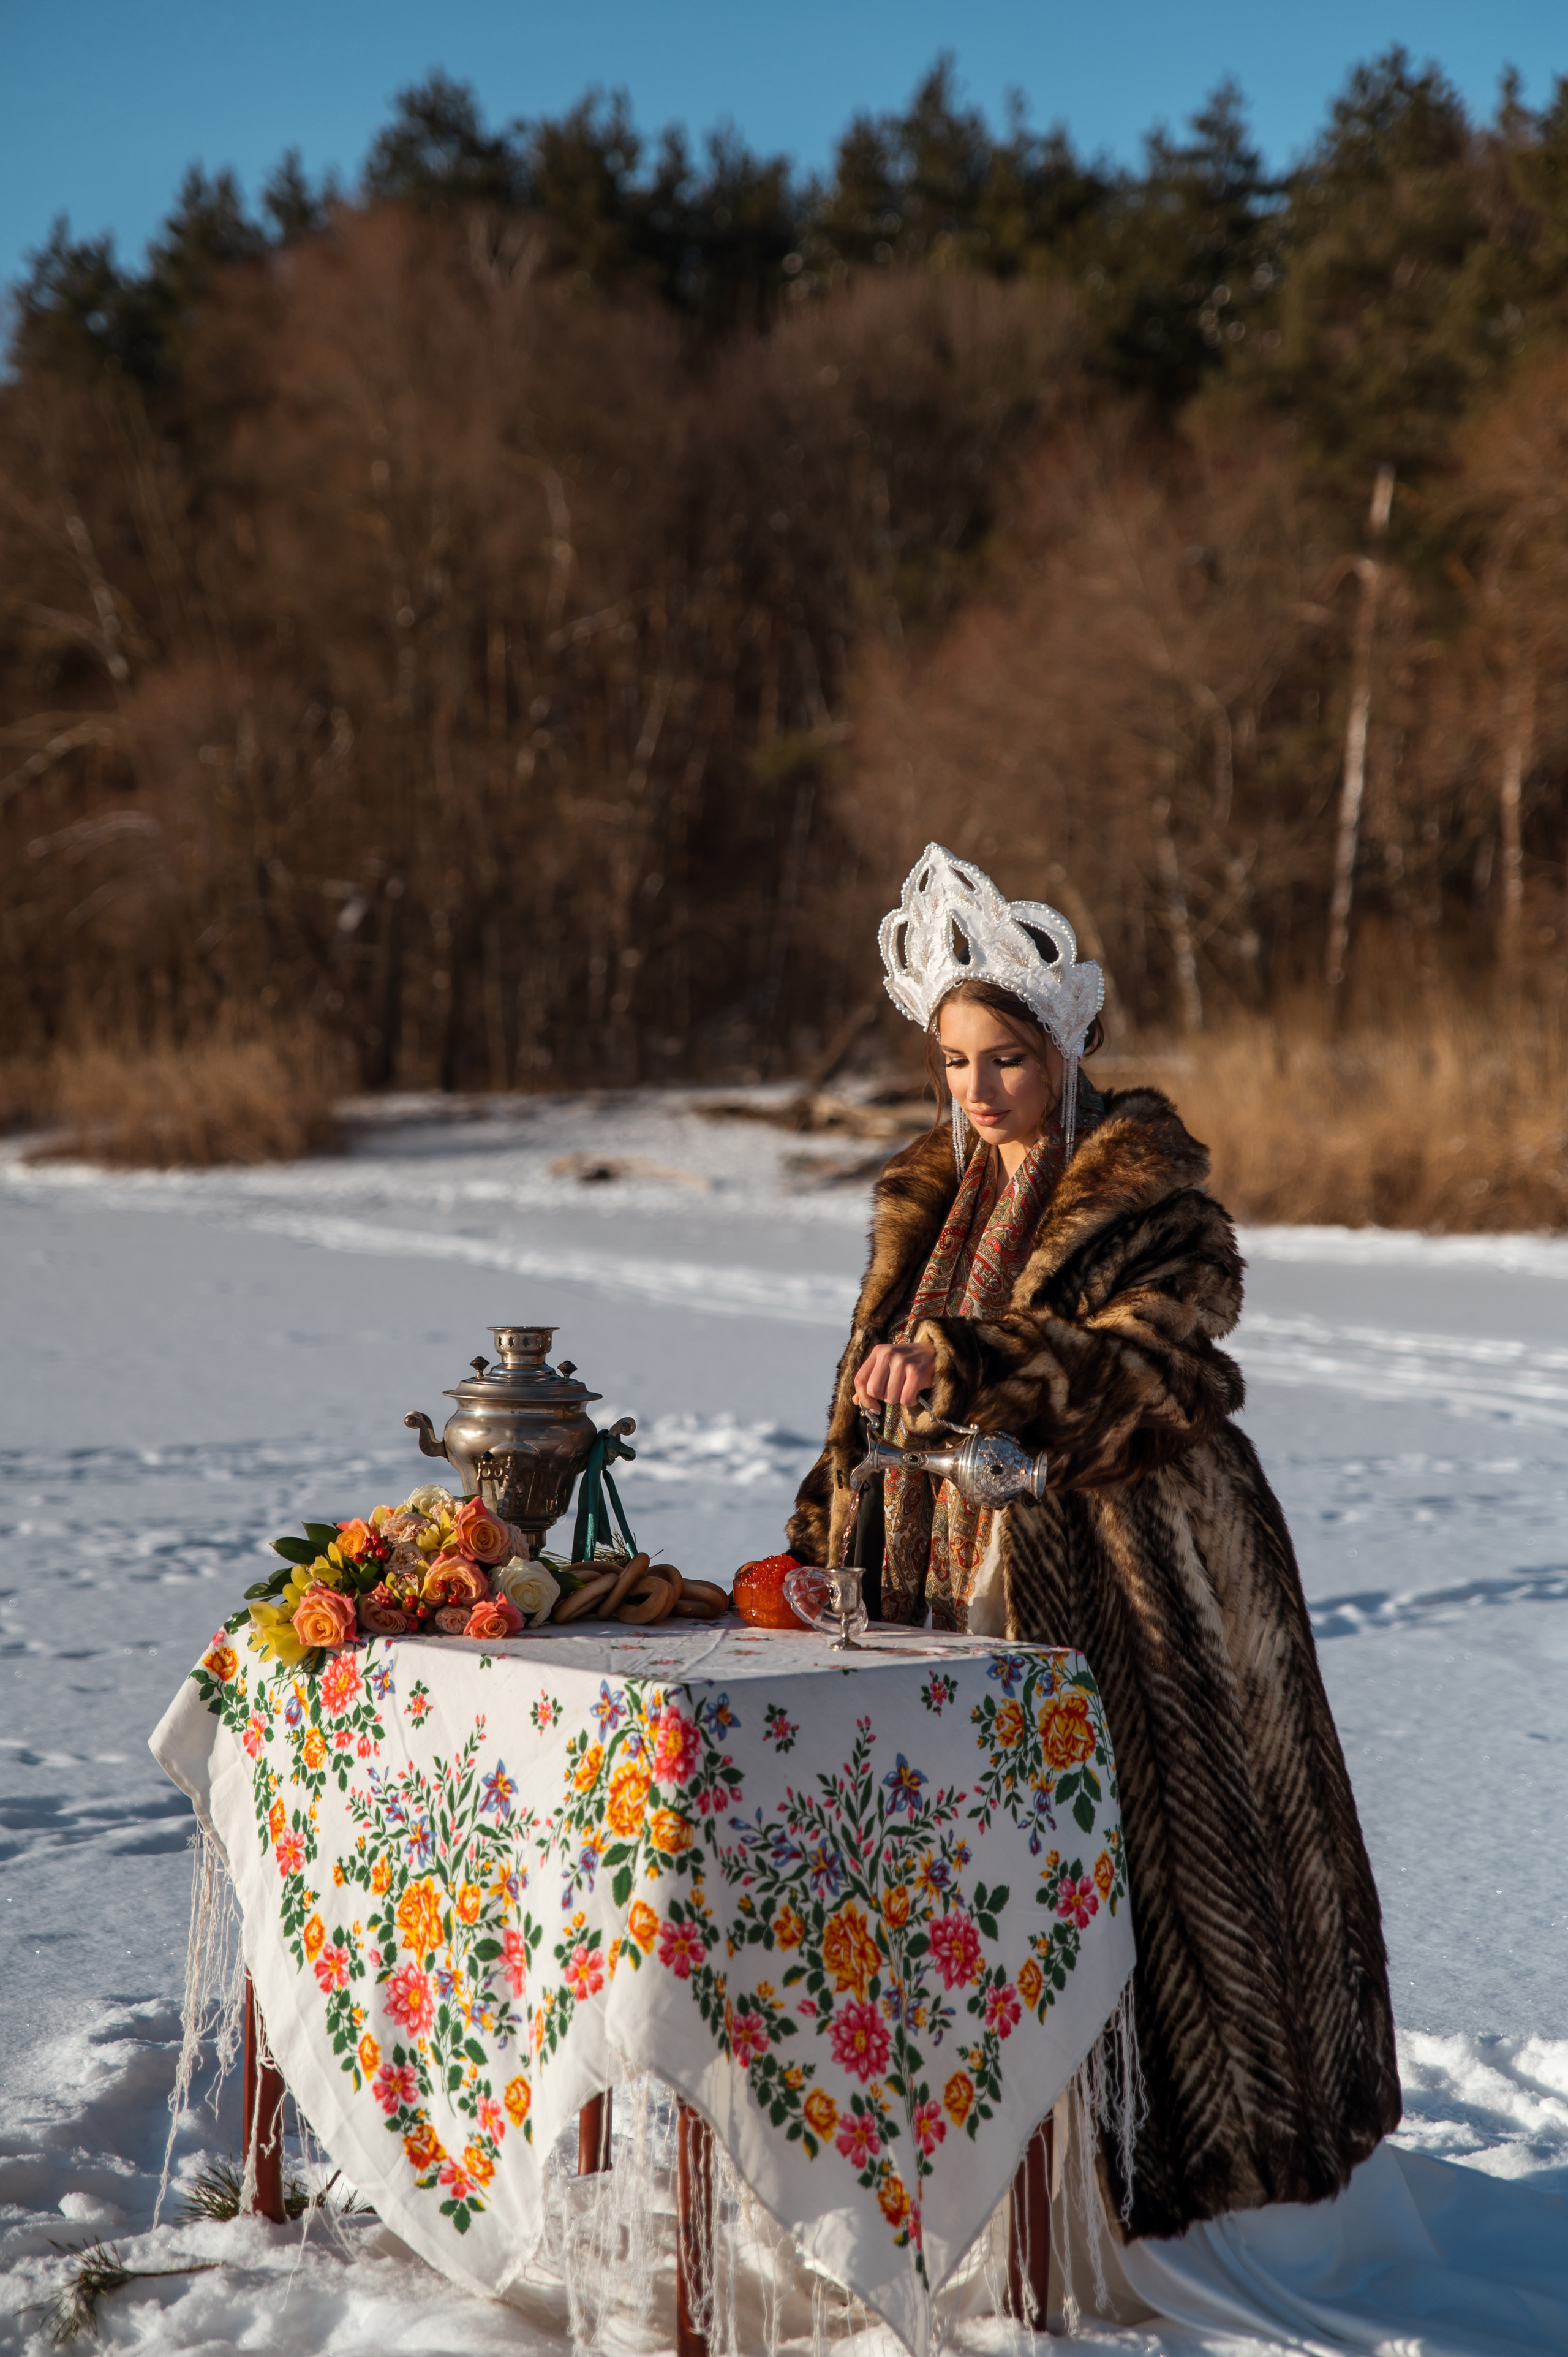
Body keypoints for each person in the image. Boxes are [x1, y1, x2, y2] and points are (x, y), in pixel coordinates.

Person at [786, 844, 1402, 2253]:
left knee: (1139, 1885)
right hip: (928, 1594)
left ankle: (1174, 2184)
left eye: (1003, 1056)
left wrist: (983, 1361)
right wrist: (822, 1532)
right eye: (953, 1062)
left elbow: (1163, 1378)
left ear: (1066, 1045)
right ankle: (961, 2165)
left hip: (1125, 1592)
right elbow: (861, 1395)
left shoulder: (1152, 1208)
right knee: (955, 1879)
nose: (978, 1089)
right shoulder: (923, 1208)